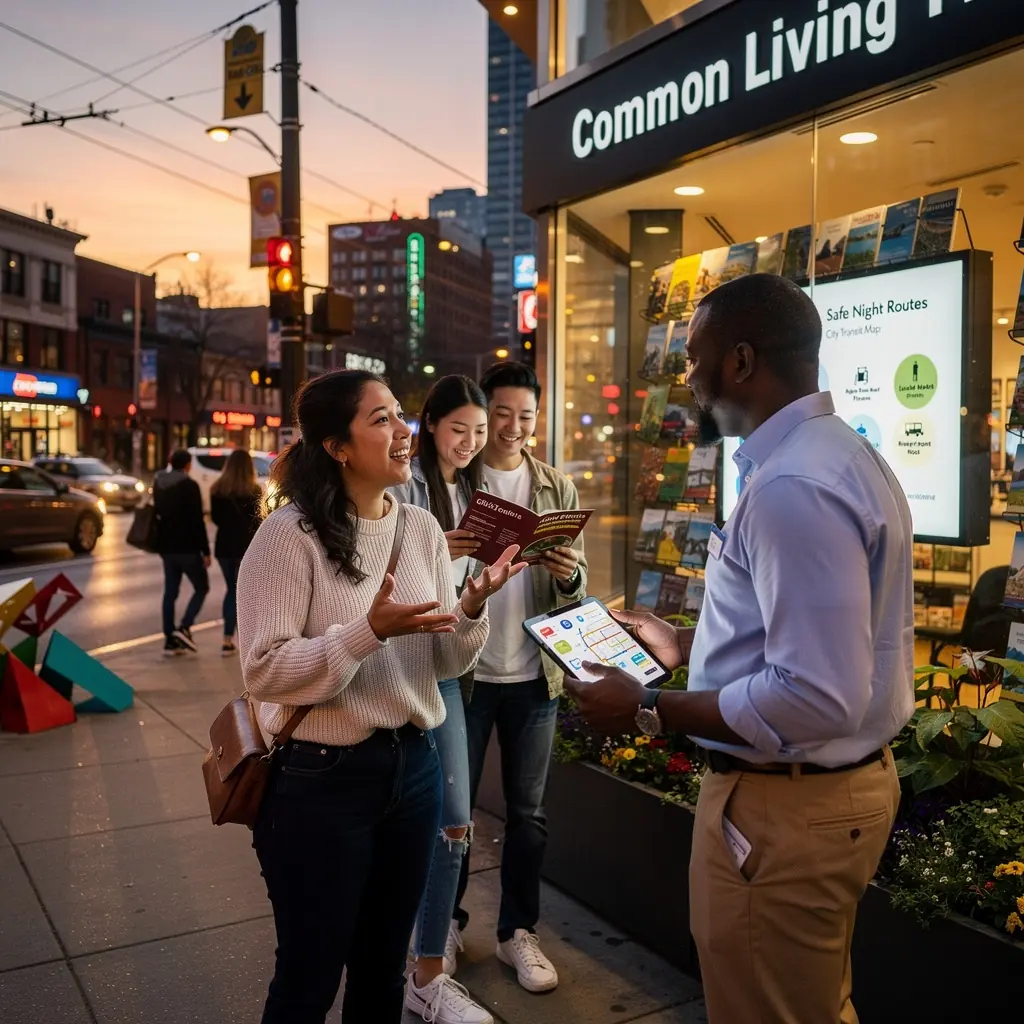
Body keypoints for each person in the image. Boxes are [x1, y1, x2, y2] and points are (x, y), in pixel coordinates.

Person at [566, 274, 914, 1024]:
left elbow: (815, 695)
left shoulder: (796, 485)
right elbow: (803, 642)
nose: (686, 376)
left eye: (695, 357)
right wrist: (688, 641)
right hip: (807, 804)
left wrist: (647, 707)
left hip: (786, 812)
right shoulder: (832, 458)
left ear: (743, 361)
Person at [237, 369, 526, 1024]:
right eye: (382, 420)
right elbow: (263, 672)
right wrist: (367, 632)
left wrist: (471, 611)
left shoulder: (421, 529)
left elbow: (442, 662)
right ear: (338, 447)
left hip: (414, 769)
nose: (405, 432)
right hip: (319, 784)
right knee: (309, 977)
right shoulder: (290, 536)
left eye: (402, 415)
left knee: (380, 972)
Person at [452, 361, 588, 994]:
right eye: (500, 414)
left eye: (525, 416)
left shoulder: (555, 486)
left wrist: (568, 575)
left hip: (533, 677)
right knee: (454, 813)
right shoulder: (454, 481)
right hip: (468, 678)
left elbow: (576, 587)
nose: (511, 427)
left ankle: (516, 933)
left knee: (528, 816)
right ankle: (443, 927)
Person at [390, 375, 492, 1024]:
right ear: (429, 425)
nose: (469, 442)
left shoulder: (478, 489)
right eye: (459, 429)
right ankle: (408, 954)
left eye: (478, 433)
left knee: (455, 817)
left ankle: (426, 969)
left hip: (454, 662)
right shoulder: (406, 486)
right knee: (396, 820)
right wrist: (435, 550)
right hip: (397, 666)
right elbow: (378, 567)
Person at [153, 448, 210, 656]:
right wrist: (205, 550)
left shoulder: (159, 482)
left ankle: (169, 638)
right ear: (187, 465)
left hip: (166, 546)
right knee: (202, 587)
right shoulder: (189, 486)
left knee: (170, 592)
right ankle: (185, 626)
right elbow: (196, 521)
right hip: (187, 547)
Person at [210, 449, 262, 657]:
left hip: (223, 546)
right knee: (243, 594)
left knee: (230, 591)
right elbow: (258, 522)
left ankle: (226, 639)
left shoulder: (217, 490)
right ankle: (245, 641)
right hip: (245, 547)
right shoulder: (254, 490)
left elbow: (215, 519)